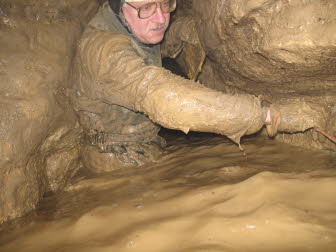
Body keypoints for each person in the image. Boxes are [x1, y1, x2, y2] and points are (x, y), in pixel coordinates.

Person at [71, 0, 280, 171]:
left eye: (165, 4)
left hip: (145, 147)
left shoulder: (131, 26)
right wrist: (257, 114)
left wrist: (186, 30)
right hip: (119, 164)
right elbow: (164, 98)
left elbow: (158, 44)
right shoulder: (104, 52)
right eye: (147, 8)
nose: (161, 18)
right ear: (119, 7)